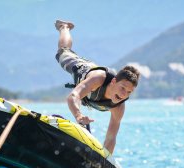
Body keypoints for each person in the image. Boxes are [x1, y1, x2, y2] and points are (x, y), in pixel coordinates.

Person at [54, 20, 140, 154]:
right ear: (113, 82)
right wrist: (78, 116)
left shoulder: (118, 107)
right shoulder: (98, 79)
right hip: (81, 68)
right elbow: (73, 96)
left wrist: (105, 161)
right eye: (123, 88)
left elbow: (111, 138)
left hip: (88, 98)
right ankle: (64, 27)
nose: (124, 94)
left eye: (129, 92)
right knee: (62, 53)